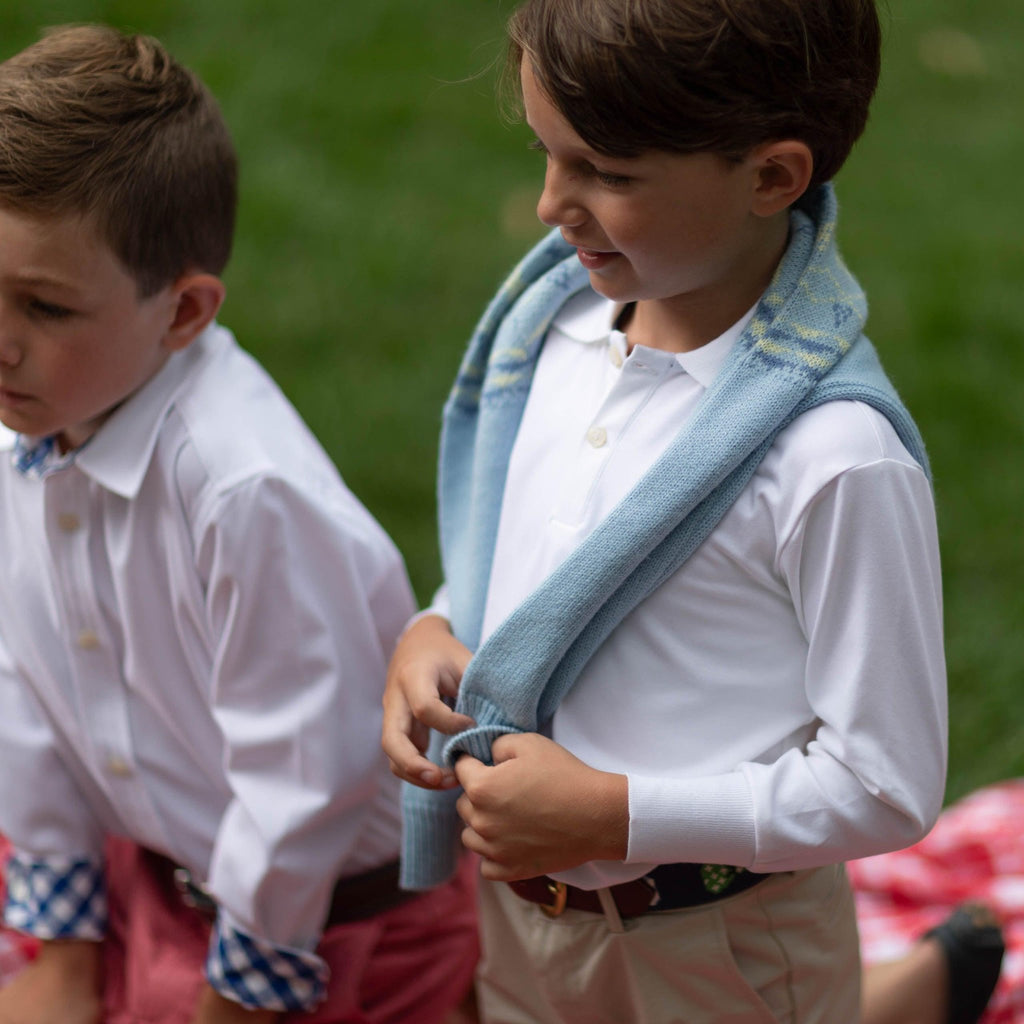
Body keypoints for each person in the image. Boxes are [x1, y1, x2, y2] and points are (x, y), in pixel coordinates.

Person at [382, 0, 950, 1021]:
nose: (553, 204)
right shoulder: (551, 328)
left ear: (771, 176)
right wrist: (439, 624)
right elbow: (531, 553)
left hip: (722, 948)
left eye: (607, 172)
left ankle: (907, 992)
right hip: (524, 915)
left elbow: (886, 781)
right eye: (547, 154)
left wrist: (613, 811)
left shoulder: (832, 456)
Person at [0, 24, 476, 1024]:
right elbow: (26, 686)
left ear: (183, 313)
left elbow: (308, 770)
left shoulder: (243, 491)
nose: (2, 341)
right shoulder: (27, 420)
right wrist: (64, 947)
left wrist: (241, 990)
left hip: (337, 935)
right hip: (157, 885)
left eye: (42, 307)